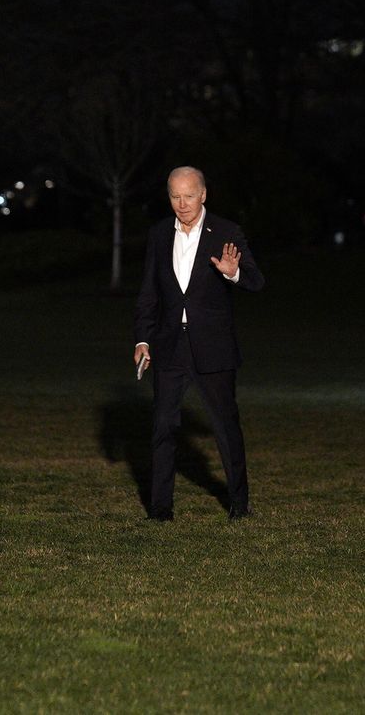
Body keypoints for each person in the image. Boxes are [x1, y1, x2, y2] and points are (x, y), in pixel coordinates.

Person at [133, 166, 265, 522]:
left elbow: (255, 280)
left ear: (203, 194)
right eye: (175, 196)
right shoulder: (159, 234)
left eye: (189, 195)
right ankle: (160, 509)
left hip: (214, 348)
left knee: (225, 427)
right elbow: (149, 293)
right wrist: (143, 339)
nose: (182, 203)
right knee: (162, 427)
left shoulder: (226, 232)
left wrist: (232, 272)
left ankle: (239, 505)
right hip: (169, 346)